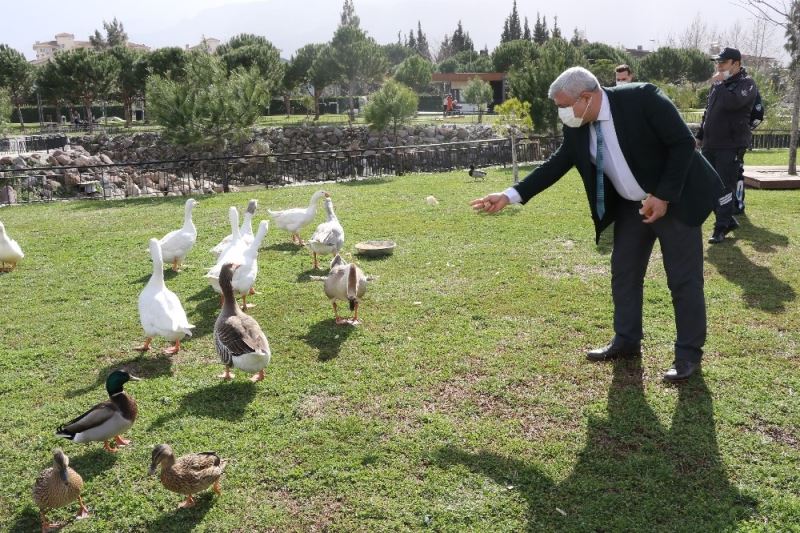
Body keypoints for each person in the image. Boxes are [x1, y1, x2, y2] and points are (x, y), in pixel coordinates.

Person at [470, 67, 727, 382]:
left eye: (565, 106)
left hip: (673, 202)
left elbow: (683, 144)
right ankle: (626, 340)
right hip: (631, 207)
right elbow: (556, 165)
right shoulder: (579, 125)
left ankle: (688, 356)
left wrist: (662, 196)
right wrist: (510, 195)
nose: (562, 113)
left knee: (683, 281)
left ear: (587, 97)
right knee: (624, 272)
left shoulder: (641, 97)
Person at [696, 47, 758, 244]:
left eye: (723, 62)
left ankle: (720, 228)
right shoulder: (719, 85)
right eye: (718, 62)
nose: (719, 66)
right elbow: (709, 112)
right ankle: (728, 220)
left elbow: (733, 104)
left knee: (724, 187)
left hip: (730, 145)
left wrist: (720, 84)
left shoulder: (746, 84)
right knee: (707, 185)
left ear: (736, 64)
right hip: (710, 144)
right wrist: (700, 135)